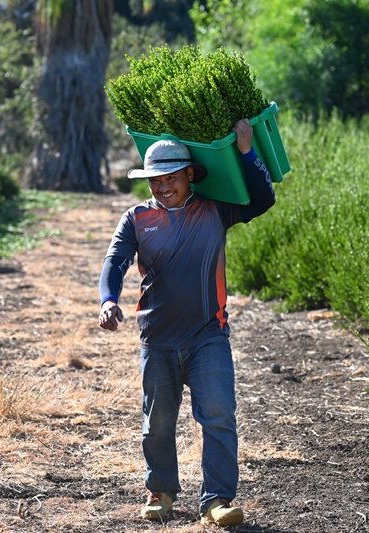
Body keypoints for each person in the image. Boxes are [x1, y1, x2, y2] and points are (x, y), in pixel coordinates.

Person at [97, 119, 276, 527]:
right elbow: (114, 263)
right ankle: (160, 492)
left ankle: (217, 500)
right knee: (157, 421)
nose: (162, 187)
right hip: (156, 338)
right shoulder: (137, 218)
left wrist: (247, 150)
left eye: (171, 178)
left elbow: (263, 199)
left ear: (189, 175)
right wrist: (108, 301)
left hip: (207, 335)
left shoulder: (215, 210)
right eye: (154, 180)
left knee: (217, 414)